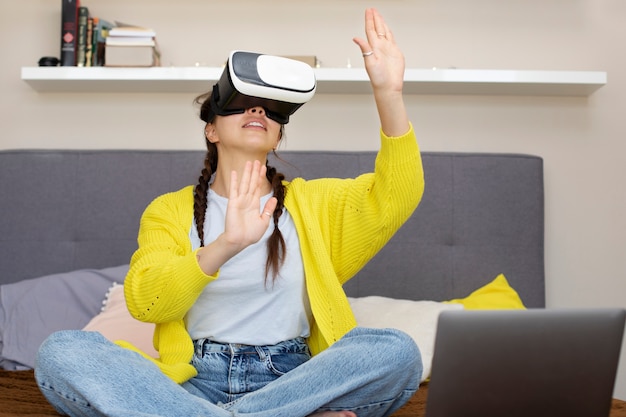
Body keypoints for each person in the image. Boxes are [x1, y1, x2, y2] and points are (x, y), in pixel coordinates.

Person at [35, 7, 425, 417]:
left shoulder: (314, 203)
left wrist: (389, 94)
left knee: (395, 351)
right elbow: (148, 304)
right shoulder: (169, 211)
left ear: (277, 135)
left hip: (293, 380)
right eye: (241, 103)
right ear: (211, 129)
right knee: (63, 352)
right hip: (193, 381)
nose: (258, 111)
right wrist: (226, 244)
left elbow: (398, 194)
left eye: (272, 109)